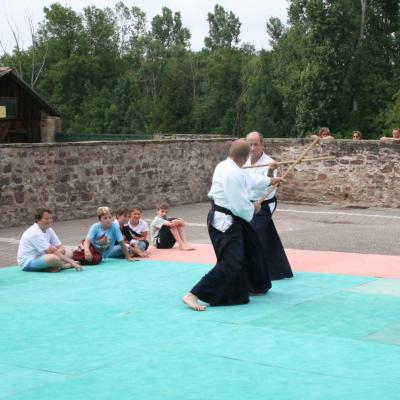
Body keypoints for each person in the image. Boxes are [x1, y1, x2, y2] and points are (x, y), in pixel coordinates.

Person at [182, 139, 283, 311]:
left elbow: (248, 178)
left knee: (252, 249)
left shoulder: (226, 166)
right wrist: (254, 208)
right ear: (246, 156)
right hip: (225, 223)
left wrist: (270, 181)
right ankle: (193, 294)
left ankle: (253, 287)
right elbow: (239, 206)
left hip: (231, 220)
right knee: (231, 262)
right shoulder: (232, 173)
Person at [244, 131, 293, 280]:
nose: (252, 148)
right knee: (267, 236)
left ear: (262, 144)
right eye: (250, 144)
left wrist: (271, 171)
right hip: (248, 204)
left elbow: (267, 186)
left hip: (264, 204)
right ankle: (279, 270)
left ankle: (253, 272)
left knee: (253, 235)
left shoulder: (270, 163)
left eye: (255, 144)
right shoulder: (244, 161)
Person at [17, 208, 82, 272]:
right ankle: (62, 266)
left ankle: (54, 266)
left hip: (43, 256)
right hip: (28, 262)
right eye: (46, 219)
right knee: (53, 258)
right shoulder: (34, 232)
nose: (50, 220)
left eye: (51, 218)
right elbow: (52, 252)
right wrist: (71, 262)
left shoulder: (49, 229)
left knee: (69, 251)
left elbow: (60, 247)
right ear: (38, 220)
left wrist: (55, 251)